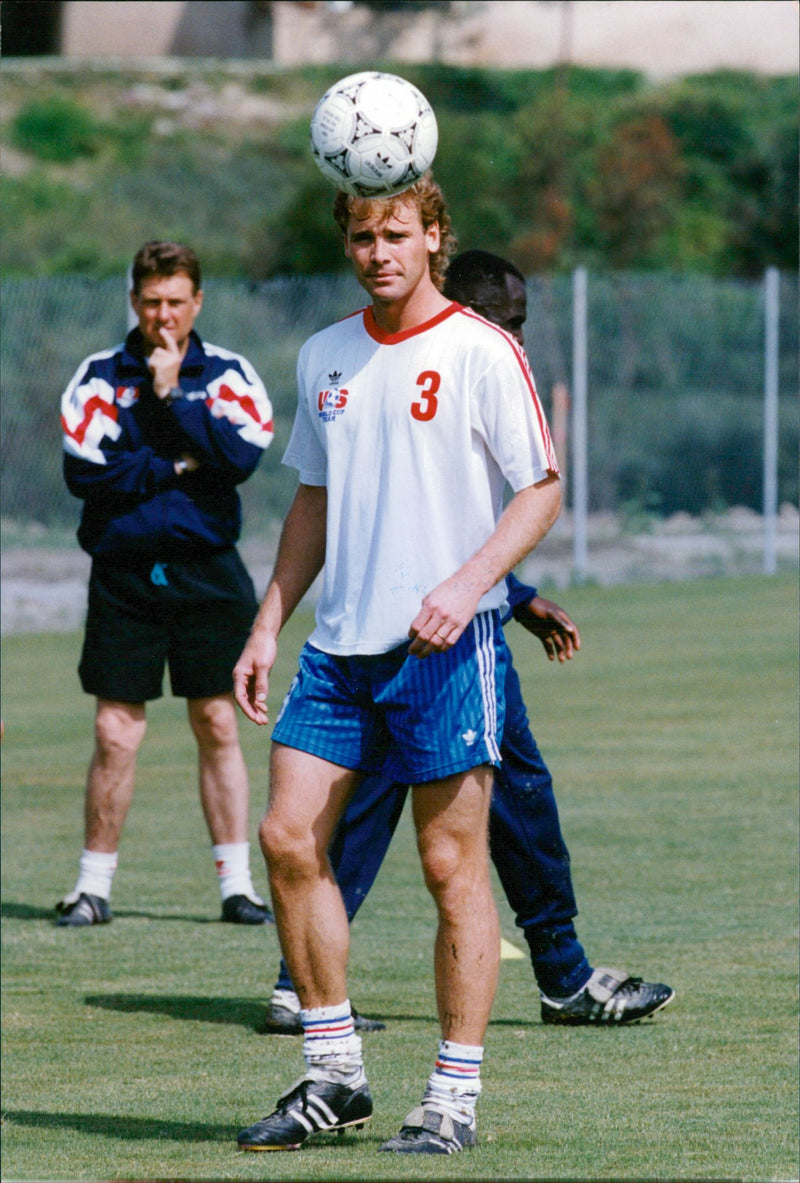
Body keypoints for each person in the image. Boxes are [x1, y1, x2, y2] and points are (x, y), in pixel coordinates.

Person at [262, 250, 675, 1033]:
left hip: (467, 625)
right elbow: (381, 514)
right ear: (468, 306)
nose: (518, 334)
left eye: (523, 319)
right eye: (508, 318)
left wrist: (510, 596)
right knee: (374, 812)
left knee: (516, 793)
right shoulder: (392, 356)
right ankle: (305, 983)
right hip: (406, 643)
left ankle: (560, 970)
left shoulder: (478, 364)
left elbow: (473, 507)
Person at [232, 176, 561, 1156]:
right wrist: (266, 622)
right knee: (288, 839)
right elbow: (312, 503)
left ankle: (451, 1097)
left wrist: (468, 586)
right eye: (364, 236)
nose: (379, 252)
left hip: (445, 651)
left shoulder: (478, 349)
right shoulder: (324, 355)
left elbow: (538, 491)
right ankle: (333, 1077)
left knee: (448, 864)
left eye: (398, 235)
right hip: (337, 653)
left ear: (433, 241)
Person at [56, 240, 275, 928]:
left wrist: (173, 396)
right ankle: (92, 887)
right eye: (151, 302)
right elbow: (87, 474)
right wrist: (177, 467)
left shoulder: (227, 373)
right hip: (125, 577)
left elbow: (240, 456)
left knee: (216, 721)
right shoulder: (96, 377)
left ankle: (237, 885)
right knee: (116, 730)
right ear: (134, 302)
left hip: (208, 576)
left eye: (176, 302)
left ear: (197, 302)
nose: (163, 317)